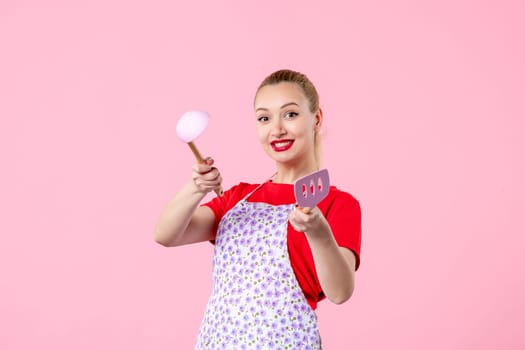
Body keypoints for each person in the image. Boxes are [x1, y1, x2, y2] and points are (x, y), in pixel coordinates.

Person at [155, 69, 362, 349]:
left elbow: (340, 292)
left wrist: (318, 231)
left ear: (316, 118)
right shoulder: (237, 199)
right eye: (264, 118)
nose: (276, 129)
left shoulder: (337, 203)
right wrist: (196, 188)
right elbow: (166, 234)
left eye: (290, 114)